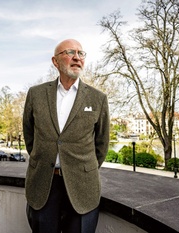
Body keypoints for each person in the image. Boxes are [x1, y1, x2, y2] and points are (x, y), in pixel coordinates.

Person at [23, 39, 110, 233]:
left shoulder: (98, 98)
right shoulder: (35, 94)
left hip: (83, 187)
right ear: (55, 61)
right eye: (70, 52)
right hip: (43, 184)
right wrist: (44, 156)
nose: (77, 57)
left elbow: (102, 143)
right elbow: (29, 134)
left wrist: (83, 168)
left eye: (81, 53)